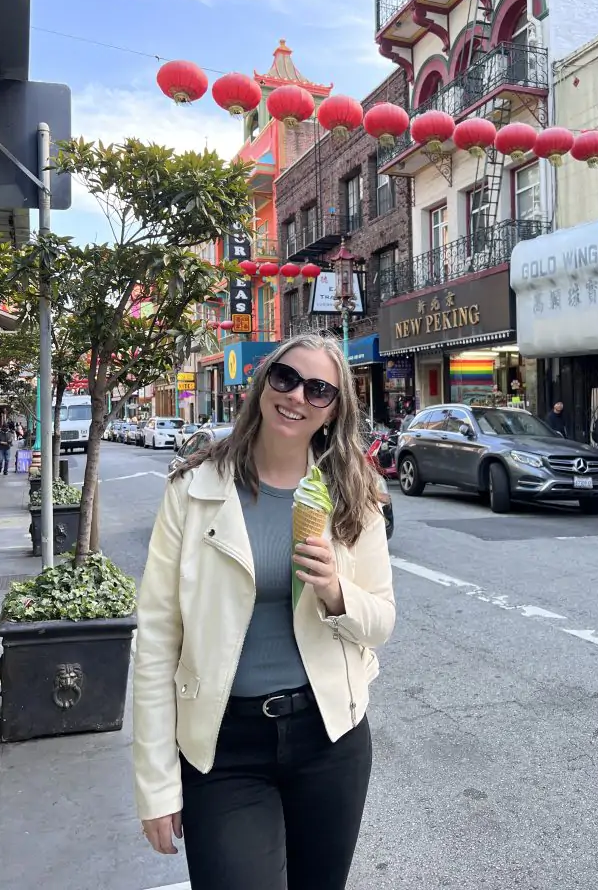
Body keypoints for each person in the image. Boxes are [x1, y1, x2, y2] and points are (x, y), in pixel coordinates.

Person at [133, 333, 396, 890]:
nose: (297, 395)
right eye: (285, 378)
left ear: (332, 411)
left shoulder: (354, 493)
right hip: (224, 745)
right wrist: (156, 784)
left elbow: (382, 621)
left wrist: (335, 593)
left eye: (319, 389)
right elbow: (157, 641)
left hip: (330, 738)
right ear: (262, 386)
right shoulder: (193, 489)